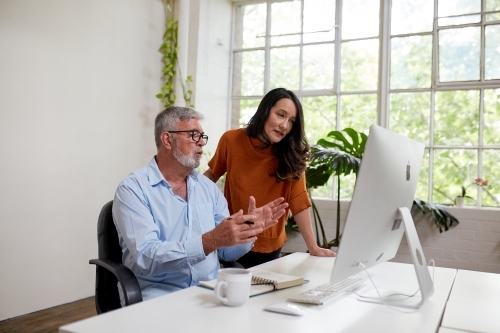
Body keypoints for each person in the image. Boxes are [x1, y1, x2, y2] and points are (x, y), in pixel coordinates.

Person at [112, 106, 288, 303]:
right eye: (193, 135)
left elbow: (226, 252)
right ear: (167, 139)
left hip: (210, 293)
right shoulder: (133, 189)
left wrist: (248, 231)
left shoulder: (208, 188)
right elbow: (147, 257)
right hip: (159, 295)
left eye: (202, 137)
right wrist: (209, 241)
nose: (201, 144)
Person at [204, 88, 336, 268]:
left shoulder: (292, 154)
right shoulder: (232, 140)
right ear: (265, 111)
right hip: (233, 239)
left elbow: (298, 201)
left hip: (269, 247)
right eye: (281, 115)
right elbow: (211, 175)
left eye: (291, 121)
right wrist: (180, 194)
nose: (285, 126)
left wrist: (313, 247)